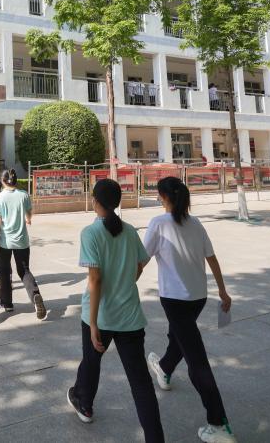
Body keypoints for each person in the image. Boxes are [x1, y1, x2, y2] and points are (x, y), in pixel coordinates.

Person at [66, 179, 163, 441]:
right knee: (141, 384)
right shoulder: (129, 231)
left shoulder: (90, 233)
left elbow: (95, 279)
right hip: (130, 317)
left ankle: (85, 404)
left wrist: (93, 323)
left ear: (95, 201)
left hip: (100, 316)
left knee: (92, 361)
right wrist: (125, 282)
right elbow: (140, 265)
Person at [144, 176, 236, 443]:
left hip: (174, 300)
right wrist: (222, 290)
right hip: (198, 297)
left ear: (164, 197)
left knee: (197, 362)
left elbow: (141, 259)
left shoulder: (158, 223)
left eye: (159, 195)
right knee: (180, 339)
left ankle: (218, 424)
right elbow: (212, 258)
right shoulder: (195, 223)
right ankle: (164, 368)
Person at [0, 168, 46, 319]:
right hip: (22, 240)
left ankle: (7, 303)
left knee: (4, 271)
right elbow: (28, 213)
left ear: (2, 181)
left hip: (5, 242)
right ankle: (35, 295)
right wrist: (28, 219)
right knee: (24, 271)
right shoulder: (23, 195)